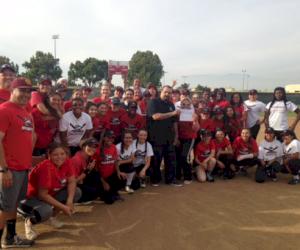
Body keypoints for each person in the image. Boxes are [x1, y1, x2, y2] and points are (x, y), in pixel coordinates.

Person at [18, 143, 81, 241]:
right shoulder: (46, 167)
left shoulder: (67, 162)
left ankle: (50, 218)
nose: (59, 157)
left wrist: (69, 201)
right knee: (46, 210)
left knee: (76, 192)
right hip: (30, 198)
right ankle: (29, 222)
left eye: (62, 154)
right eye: (55, 154)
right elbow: (42, 195)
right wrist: (64, 207)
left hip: (48, 194)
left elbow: (72, 181)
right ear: (49, 155)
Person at [0, 77, 35, 248]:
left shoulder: (25, 112)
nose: (26, 94)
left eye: (28, 91)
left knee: (12, 204)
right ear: (12, 91)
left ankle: (10, 238)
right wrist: (3, 169)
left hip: (22, 168)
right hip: (9, 169)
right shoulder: (4, 110)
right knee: (4, 208)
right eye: (22, 90)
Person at [147, 85, 182, 186]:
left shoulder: (171, 104)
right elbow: (155, 116)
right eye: (165, 92)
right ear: (161, 91)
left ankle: (170, 179)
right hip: (155, 137)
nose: (167, 94)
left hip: (169, 137)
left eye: (169, 93)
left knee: (171, 160)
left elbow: (174, 122)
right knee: (156, 160)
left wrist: (176, 136)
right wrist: (172, 113)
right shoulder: (153, 102)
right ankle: (155, 179)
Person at [96, 130, 125, 204]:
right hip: (101, 178)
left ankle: (114, 192)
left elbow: (115, 161)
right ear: (103, 138)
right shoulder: (97, 150)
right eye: (108, 137)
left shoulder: (113, 147)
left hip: (110, 176)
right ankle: (106, 193)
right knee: (109, 201)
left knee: (122, 177)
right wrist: (104, 182)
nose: (111, 140)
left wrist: (118, 172)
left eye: (112, 138)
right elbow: (95, 170)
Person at [70, 138, 100, 203]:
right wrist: (87, 170)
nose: (93, 149)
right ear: (83, 147)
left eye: (94, 147)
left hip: (82, 180)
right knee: (94, 193)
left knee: (96, 175)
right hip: (73, 185)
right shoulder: (76, 160)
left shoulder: (88, 157)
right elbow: (73, 181)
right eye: (90, 146)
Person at [177, 97, 199, 184]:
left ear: (191, 105)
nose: (185, 105)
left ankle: (188, 177)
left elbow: (196, 129)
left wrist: (195, 120)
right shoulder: (178, 113)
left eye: (187, 104)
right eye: (183, 104)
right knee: (178, 156)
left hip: (190, 138)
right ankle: (178, 175)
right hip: (180, 138)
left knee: (184, 156)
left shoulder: (194, 113)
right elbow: (175, 126)